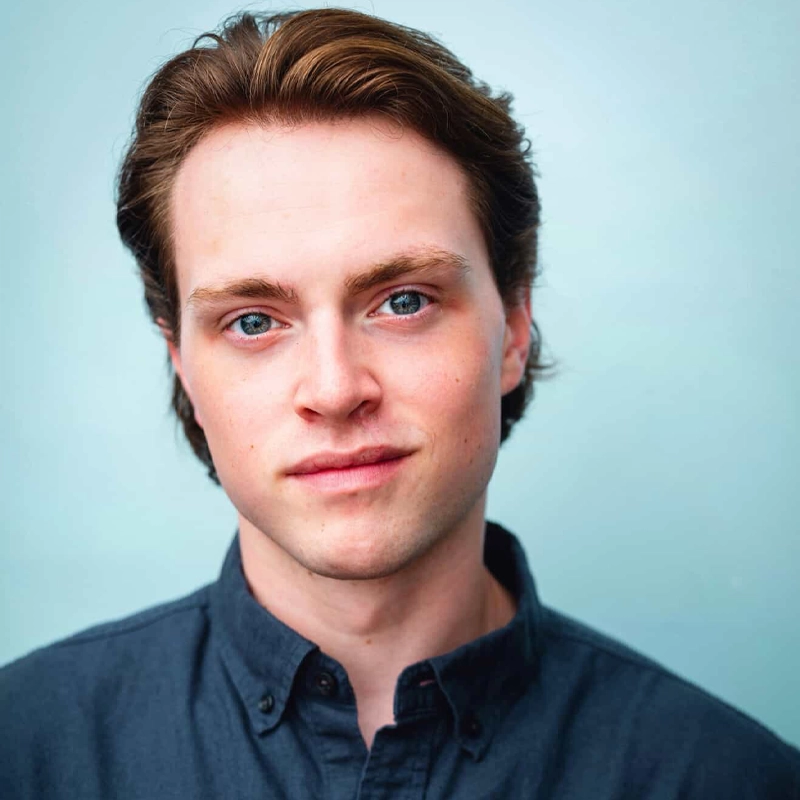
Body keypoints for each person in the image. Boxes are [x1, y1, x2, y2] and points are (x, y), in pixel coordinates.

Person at [1, 7, 798, 798]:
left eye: (405, 301)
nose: (338, 389)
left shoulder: (730, 780)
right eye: (252, 322)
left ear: (514, 327)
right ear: (181, 364)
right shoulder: (27, 749)